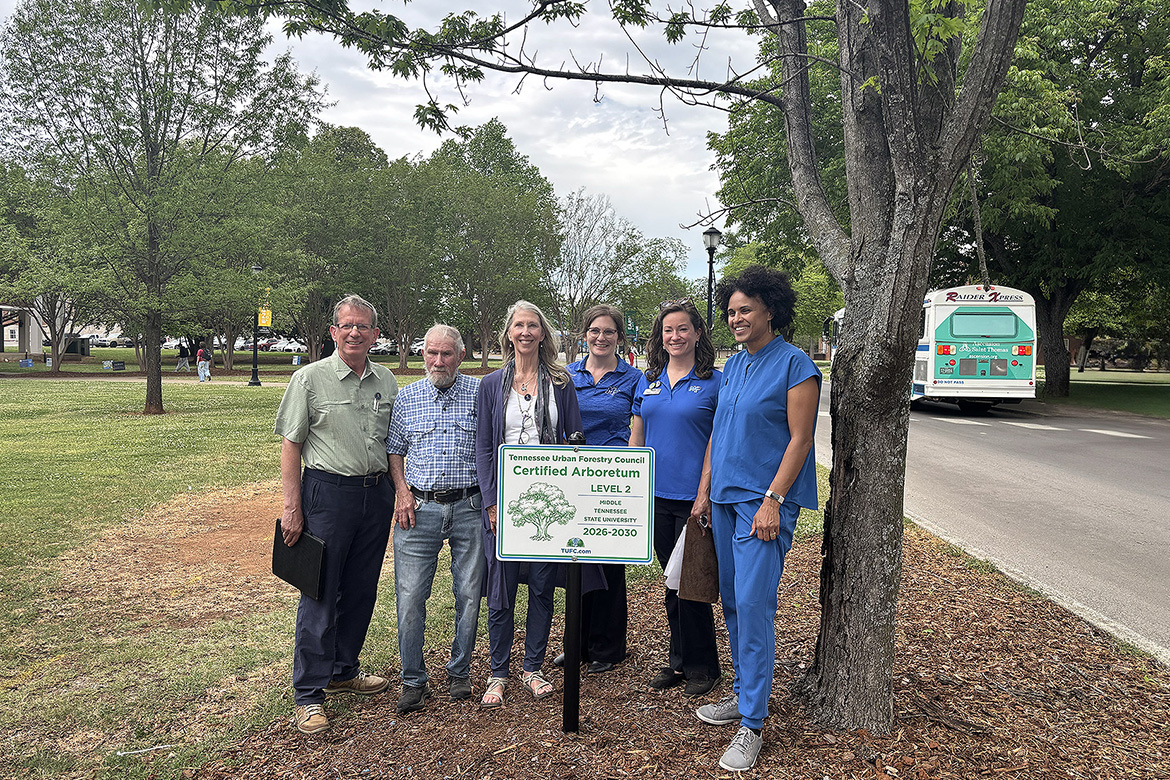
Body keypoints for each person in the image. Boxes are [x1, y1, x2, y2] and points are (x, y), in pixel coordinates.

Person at [693, 266, 821, 771]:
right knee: (731, 602)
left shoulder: (796, 365)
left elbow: (801, 439)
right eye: (730, 311)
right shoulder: (734, 366)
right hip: (723, 500)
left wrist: (773, 498)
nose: (736, 318)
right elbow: (719, 434)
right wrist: (704, 492)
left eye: (746, 309)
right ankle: (744, 696)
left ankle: (752, 725)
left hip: (761, 505)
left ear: (771, 309)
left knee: (753, 605)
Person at [273, 294, 398, 735]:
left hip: (375, 495)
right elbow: (291, 444)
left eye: (363, 326)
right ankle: (309, 693)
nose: (354, 333)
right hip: (327, 493)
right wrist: (293, 507)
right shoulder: (309, 380)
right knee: (320, 591)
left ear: (375, 334)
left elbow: (393, 445)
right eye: (346, 325)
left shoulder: (386, 380)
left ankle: (343, 670)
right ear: (333, 332)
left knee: (361, 590)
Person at [474, 300, 590, 708]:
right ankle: (498, 672)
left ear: (543, 334)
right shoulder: (491, 385)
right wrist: (490, 503)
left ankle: (533, 667)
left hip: (549, 498)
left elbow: (576, 441)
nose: (525, 332)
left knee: (542, 586)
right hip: (505, 504)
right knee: (500, 589)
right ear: (509, 333)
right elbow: (485, 449)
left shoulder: (561, 382)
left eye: (533, 325)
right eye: (518, 325)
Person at [386, 324, 484, 714]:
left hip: (470, 507)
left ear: (461, 355)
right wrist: (402, 492)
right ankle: (413, 679)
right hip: (418, 509)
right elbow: (395, 451)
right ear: (422, 354)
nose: (437, 361)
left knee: (469, 594)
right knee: (410, 598)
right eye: (431, 353)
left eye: (446, 354)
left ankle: (460, 671)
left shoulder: (481, 394)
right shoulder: (407, 397)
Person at [629, 299, 722, 697]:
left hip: (694, 501)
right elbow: (637, 437)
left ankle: (705, 666)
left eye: (683, 329)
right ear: (660, 337)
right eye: (668, 330)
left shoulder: (716, 382)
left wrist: (704, 496)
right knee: (672, 583)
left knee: (692, 584)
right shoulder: (647, 381)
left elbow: (719, 444)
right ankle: (679, 661)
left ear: (698, 333)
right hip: (654, 498)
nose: (675, 336)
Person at [557, 305, 647, 674]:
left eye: (608, 332)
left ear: (619, 337)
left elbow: (639, 427)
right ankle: (575, 644)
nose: (600, 337)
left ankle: (607, 648)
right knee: (576, 561)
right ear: (584, 335)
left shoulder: (632, 378)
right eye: (594, 331)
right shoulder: (566, 376)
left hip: (612, 479)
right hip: (571, 477)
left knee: (608, 563)